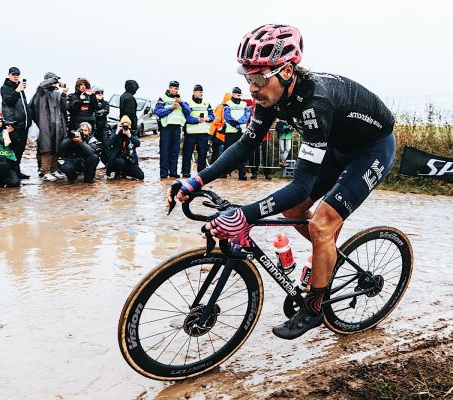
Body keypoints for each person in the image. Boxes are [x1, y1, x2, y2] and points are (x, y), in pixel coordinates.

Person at [168, 24, 396, 340]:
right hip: (337, 145)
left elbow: (301, 185)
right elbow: (245, 146)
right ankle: (326, 256)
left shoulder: (316, 103)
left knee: (321, 224)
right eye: (248, 78)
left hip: (371, 149)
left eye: (260, 78)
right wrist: (195, 180)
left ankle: (315, 307)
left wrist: (244, 215)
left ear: (287, 71)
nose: (252, 87)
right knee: (294, 213)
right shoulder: (270, 99)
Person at [29, 72, 68, 182]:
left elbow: (64, 108)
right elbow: (42, 85)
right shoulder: (40, 91)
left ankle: (53, 169)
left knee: (56, 147)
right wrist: (56, 79)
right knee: (46, 148)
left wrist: (64, 94)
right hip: (44, 124)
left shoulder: (56, 93)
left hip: (57, 125)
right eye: (52, 81)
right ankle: (45, 171)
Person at [1, 67, 32, 179]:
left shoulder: (19, 88)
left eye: (18, 74)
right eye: (13, 74)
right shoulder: (5, 88)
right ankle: (11, 172)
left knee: (21, 149)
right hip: (14, 124)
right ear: (9, 75)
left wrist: (29, 120)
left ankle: (16, 170)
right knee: (13, 149)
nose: (16, 76)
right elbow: (9, 102)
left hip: (23, 124)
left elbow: (23, 106)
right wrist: (17, 91)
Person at [154, 81, 188, 179]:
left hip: (177, 127)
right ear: (169, 88)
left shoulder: (180, 100)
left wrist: (181, 103)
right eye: (174, 88)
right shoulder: (162, 98)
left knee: (175, 151)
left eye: (177, 88)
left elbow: (188, 112)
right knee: (165, 150)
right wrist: (171, 108)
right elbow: (158, 112)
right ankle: (164, 173)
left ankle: (173, 172)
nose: (176, 90)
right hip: (166, 127)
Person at [181, 84, 214, 177]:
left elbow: (212, 115)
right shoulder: (188, 103)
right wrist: (196, 120)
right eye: (199, 92)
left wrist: (208, 118)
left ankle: (201, 173)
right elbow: (186, 118)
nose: (201, 94)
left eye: (202, 92)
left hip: (203, 133)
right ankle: (186, 172)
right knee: (187, 154)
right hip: (191, 133)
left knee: (203, 154)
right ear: (194, 92)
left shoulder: (206, 103)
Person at [223, 87, 251, 180]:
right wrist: (236, 125)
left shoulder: (245, 104)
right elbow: (227, 116)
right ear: (233, 94)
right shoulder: (227, 104)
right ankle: (224, 172)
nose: (239, 96)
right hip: (230, 132)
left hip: (241, 133)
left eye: (240, 94)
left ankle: (242, 174)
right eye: (237, 94)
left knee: (241, 154)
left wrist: (238, 123)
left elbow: (246, 116)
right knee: (227, 154)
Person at [106, 115, 144, 180]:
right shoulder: (116, 133)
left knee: (140, 176)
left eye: (127, 126)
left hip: (129, 160)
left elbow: (138, 144)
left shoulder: (132, 133)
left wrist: (129, 135)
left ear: (130, 126)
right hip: (117, 159)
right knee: (120, 162)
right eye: (123, 126)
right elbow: (109, 143)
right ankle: (117, 173)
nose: (125, 127)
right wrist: (117, 132)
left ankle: (125, 172)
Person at [208, 93, 232, 166]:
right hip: (217, 134)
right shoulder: (221, 107)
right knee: (217, 152)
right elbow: (217, 119)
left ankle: (215, 168)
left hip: (220, 133)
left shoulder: (224, 107)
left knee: (218, 152)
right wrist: (220, 128)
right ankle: (213, 168)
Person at [93, 86, 110, 165]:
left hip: (103, 127)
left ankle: (107, 163)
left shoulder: (105, 103)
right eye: (98, 93)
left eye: (101, 93)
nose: (100, 94)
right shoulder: (92, 102)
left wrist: (99, 112)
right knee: (93, 146)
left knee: (105, 146)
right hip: (93, 127)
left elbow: (105, 111)